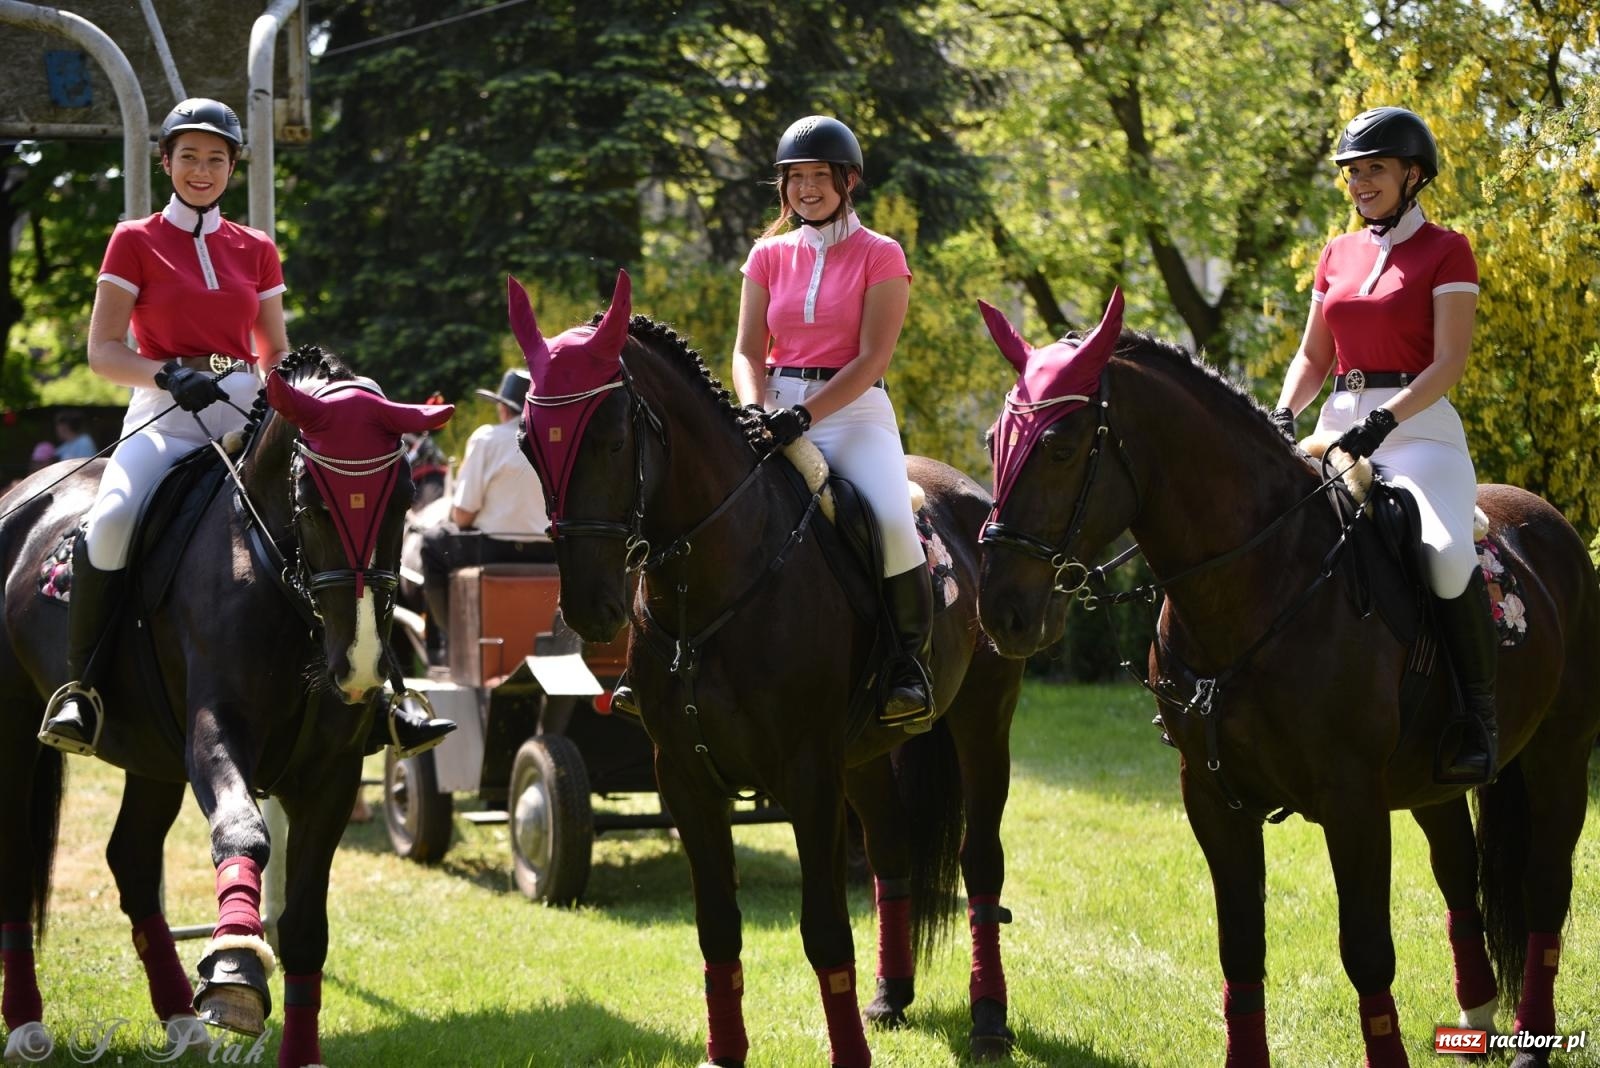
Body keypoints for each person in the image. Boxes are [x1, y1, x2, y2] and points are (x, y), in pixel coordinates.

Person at [36, 98, 450, 758]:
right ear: (166, 162)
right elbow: (103, 351)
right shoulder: (134, 239)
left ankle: (386, 693)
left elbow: (272, 350)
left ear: (232, 167)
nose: (202, 171)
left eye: (216, 159)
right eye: (189, 157)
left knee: (342, 516)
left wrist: (301, 392)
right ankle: (81, 690)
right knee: (110, 521)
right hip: (166, 415)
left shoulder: (255, 247)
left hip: (251, 411)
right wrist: (168, 375)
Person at [1270, 106, 1496, 783]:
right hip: (1336, 428)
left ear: (1413, 175)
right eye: (1352, 173)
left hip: (1420, 432)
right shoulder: (1335, 254)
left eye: (1375, 169)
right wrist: (1283, 413)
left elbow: (1449, 362)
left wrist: (1385, 421)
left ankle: (1478, 718)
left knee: (1446, 556)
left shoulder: (1447, 250)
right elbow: (1314, 356)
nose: (1361, 183)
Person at [729, 114, 933, 731]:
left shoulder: (882, 254)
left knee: (892, 518)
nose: (807, 188)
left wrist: (805, 415)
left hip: (853, 411)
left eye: (820, 176)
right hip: (771, 407)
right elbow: (746, 350)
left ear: (848, 180)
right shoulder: (766, 255)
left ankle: (906, 666)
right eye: (796, 178)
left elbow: (873, 358)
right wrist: (756, 409)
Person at [418, 369, 553, 667]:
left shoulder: (488, 438)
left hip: (495, 549)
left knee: (430, 545)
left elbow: (463, 516)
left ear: (504, 408)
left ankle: (451, 637)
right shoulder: (557, 440)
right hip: (550, 551)